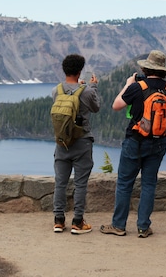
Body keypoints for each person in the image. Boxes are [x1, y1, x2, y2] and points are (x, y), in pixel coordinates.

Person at [100, 50, 166, 238]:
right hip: (158, 142)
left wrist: (128, 84)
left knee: (125, 183)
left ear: (146, 67)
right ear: (163, 70)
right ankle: (143, 227)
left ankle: (118, 225)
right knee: (149, 184)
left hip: (135, 141)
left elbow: (116, 105)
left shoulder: (137, 86)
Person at [52, 54, 100, 234]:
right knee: (80, 184)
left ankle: (58, 221)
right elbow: (96, 108)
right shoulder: (86, 91)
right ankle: (77, 222)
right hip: (82, 142)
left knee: (60, 183)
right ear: (80, 71)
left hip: (62, 142)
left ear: (64, 70)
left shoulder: (56, 90)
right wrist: (92, 86)